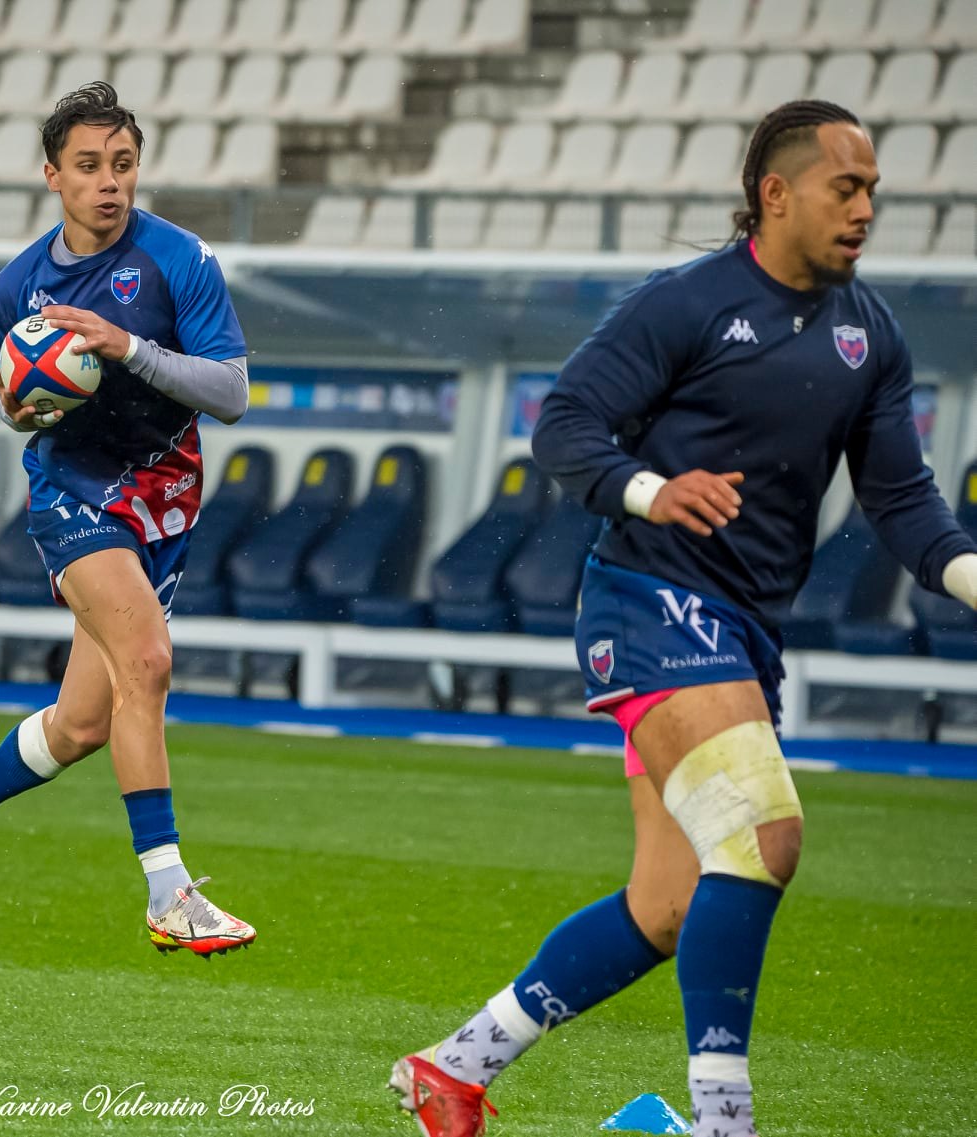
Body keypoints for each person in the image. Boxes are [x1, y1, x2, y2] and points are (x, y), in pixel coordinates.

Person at [389, 99, 977, 1137]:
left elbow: (899, 500)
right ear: (775, 193)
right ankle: (720, 1121)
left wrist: (969, 574)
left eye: (873, 189)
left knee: (665, 907)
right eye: (847, 187)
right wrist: (651, 491)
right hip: (646, 598)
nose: (866, 208)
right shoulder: (686, 303)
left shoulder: (868, 334)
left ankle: (454, 1067)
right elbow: (564, 425)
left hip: (739, 629)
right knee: (763, 833)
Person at [0, 82, 257, 957]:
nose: (109, 183)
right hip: (71, 492)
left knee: (83, 723)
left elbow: (231, 390)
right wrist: (25, 405)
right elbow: (19, 404)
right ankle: (171, 895)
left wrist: (125, 346)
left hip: (165, 490)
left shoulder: (179, 260)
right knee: (149, 659)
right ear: (52, 174)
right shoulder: (17, 285)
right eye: (88, 166)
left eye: (122, 165)